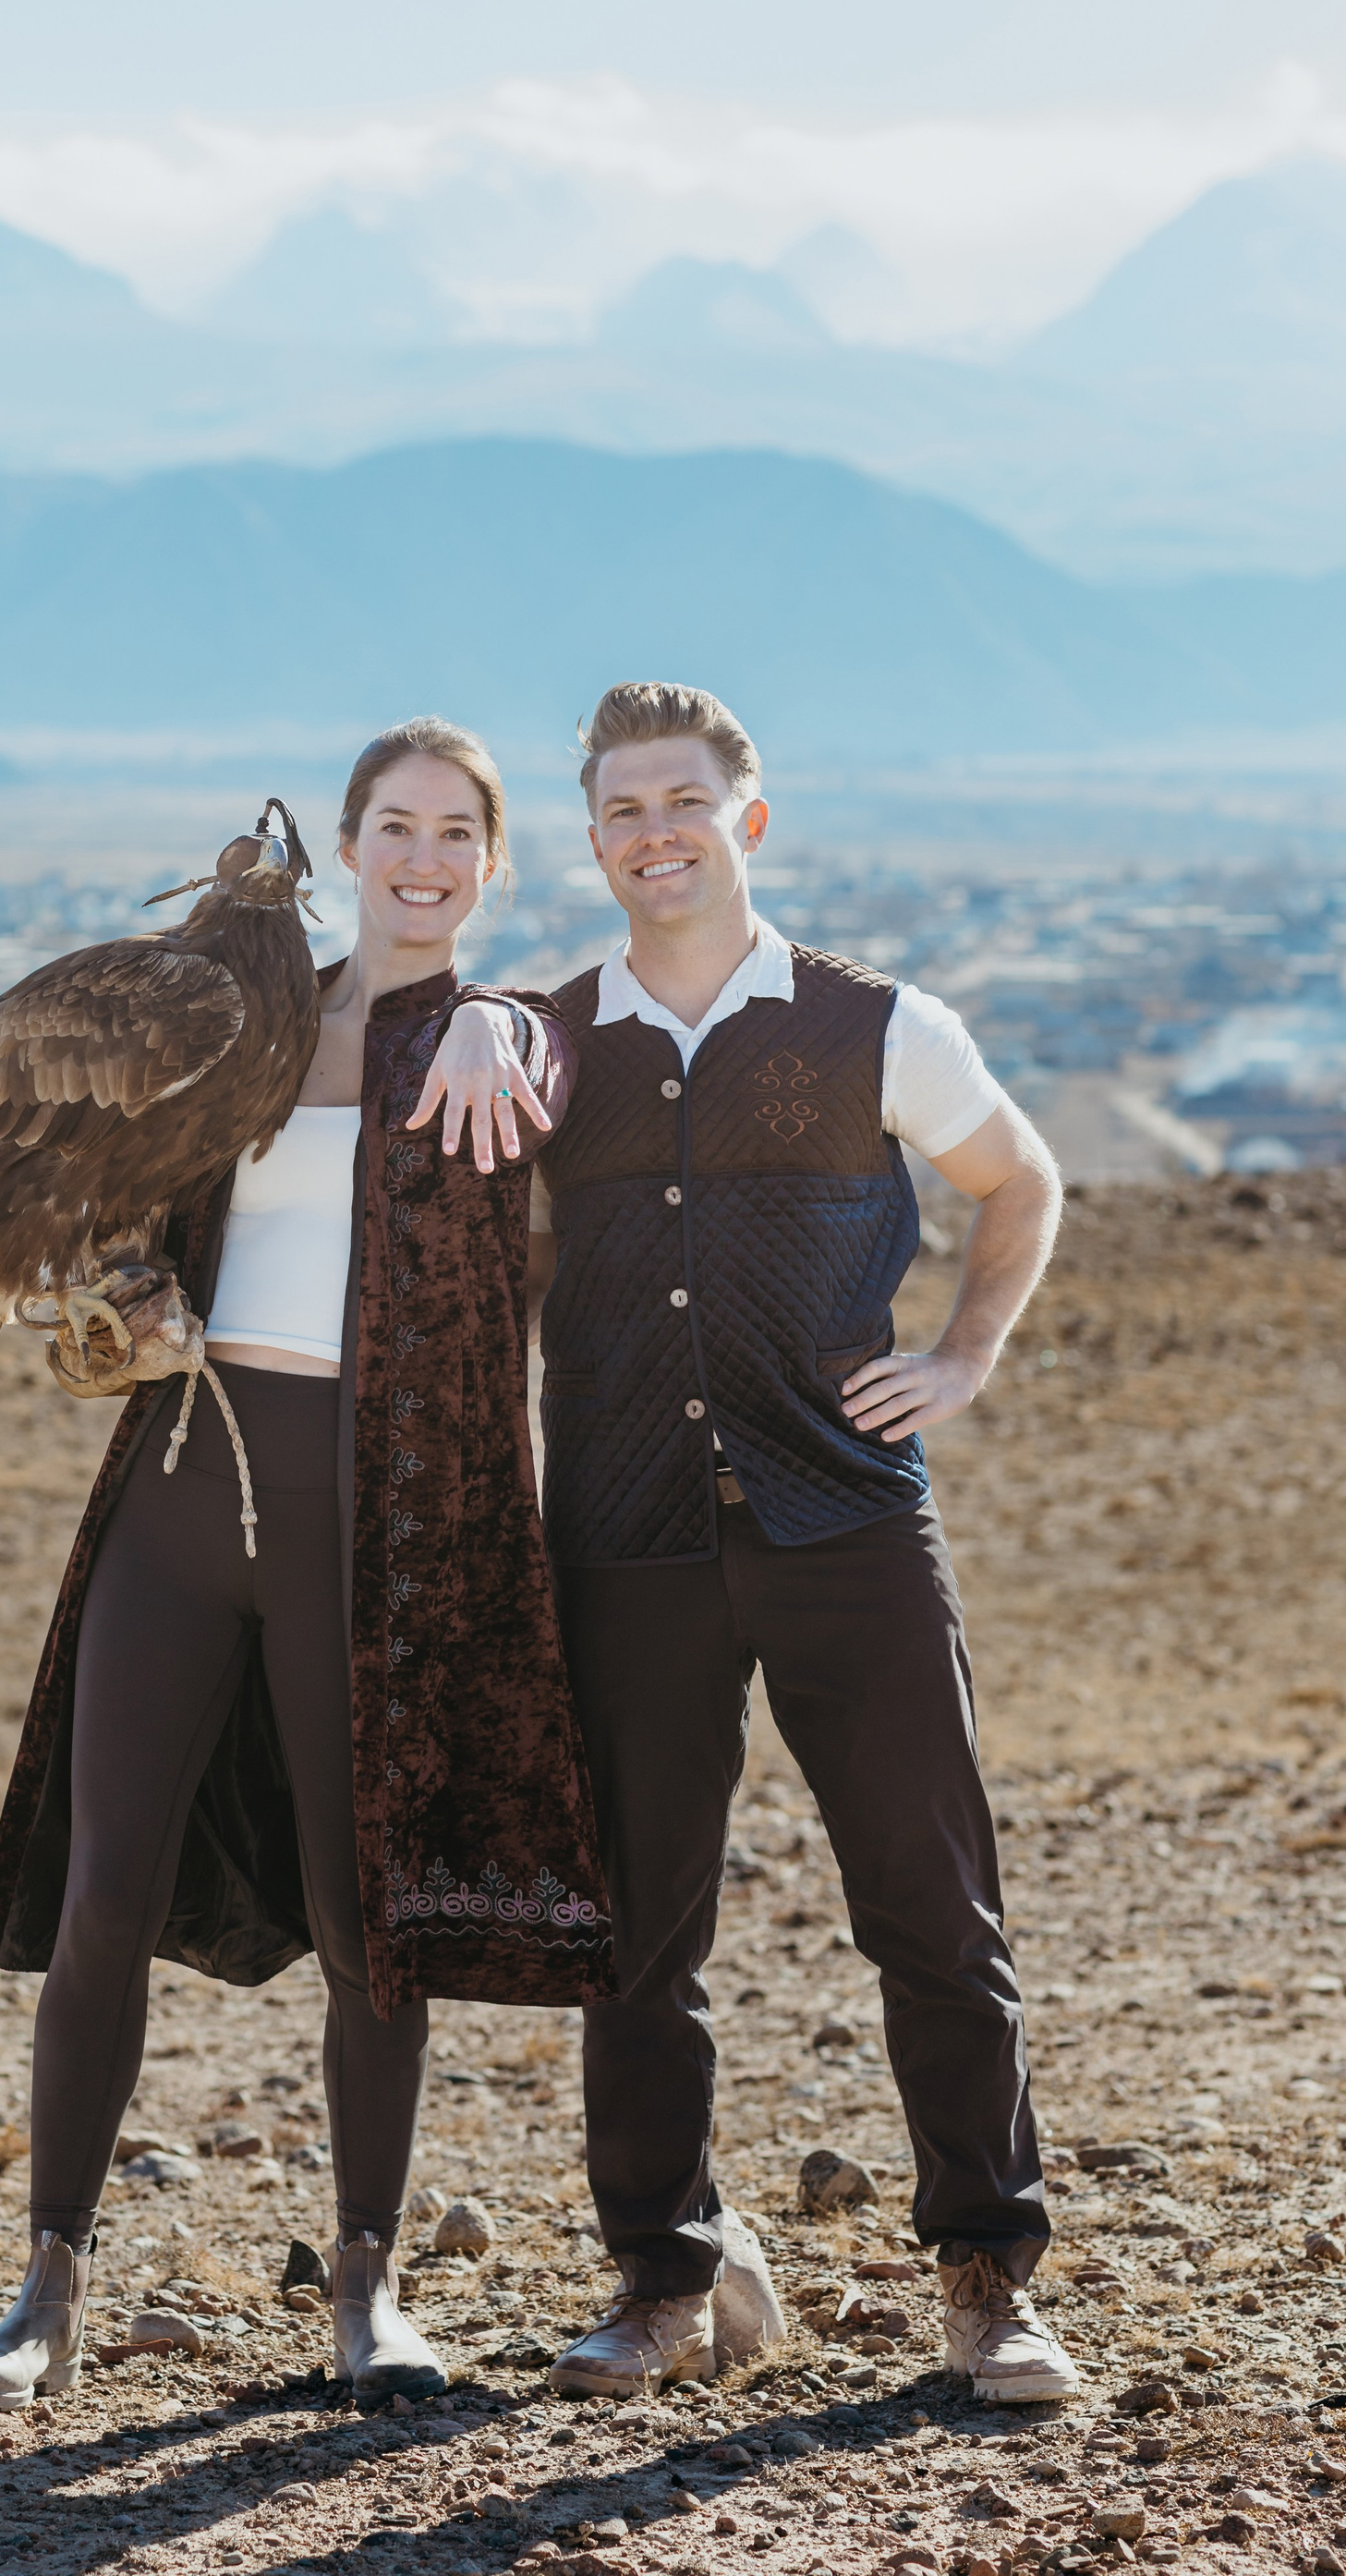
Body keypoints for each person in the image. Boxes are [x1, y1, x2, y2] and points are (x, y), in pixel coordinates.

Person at [0, 719, 613, 2412]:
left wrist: (500, 1016)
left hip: (370, 1531)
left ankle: (368, 2290)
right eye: (396, 827)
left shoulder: (499, 1040)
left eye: (457, 834)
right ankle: (44, 2291)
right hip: (180, 1484)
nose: (423, 859)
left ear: (492, 864)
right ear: (348, 845)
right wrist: (104, 1306)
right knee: (101, 1894)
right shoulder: (232, 1029)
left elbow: (568, 1059)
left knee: (360, 1908)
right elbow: (97, 1204)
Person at [461, 679, 1077, 2405]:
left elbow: (1019, 1183)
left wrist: (960, 1359)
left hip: (850, 1521)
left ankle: (989, 2278)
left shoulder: (878, 1023)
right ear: (593, 841)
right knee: (637, 1934)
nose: (654, 834)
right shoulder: (543, 1039)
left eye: (684, 802)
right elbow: (492, 1267)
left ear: (747, 817)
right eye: (622, 811)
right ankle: (663, 2277)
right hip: (623, 1533)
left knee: (934, 1908)